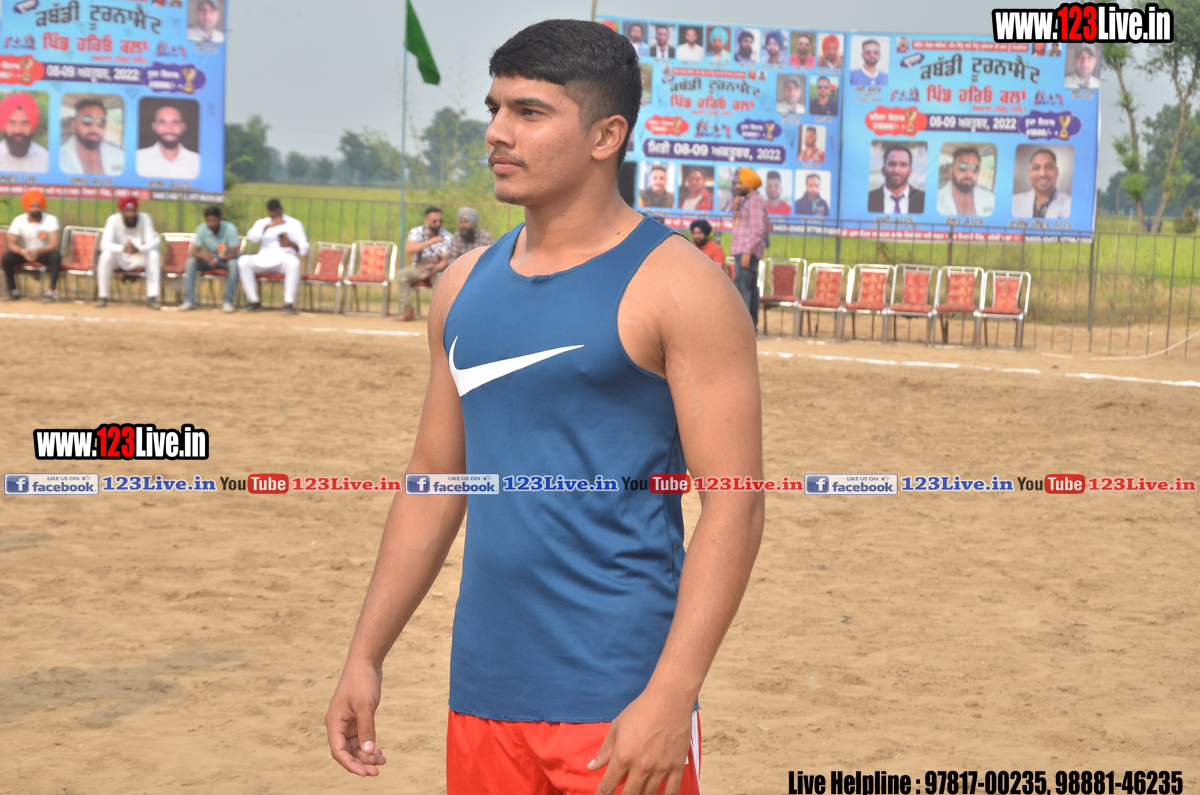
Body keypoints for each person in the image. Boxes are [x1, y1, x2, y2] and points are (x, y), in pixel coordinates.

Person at [325, 19, 763, 795]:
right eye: (495, 109)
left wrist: (670, 693)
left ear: (606, 135)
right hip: (484, 692)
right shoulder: (461, 285)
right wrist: (366, 653)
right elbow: (434, 481)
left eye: (529, 112)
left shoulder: (680, 287)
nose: (497, 132)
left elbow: (735, 504)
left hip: (620, 697)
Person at [238, 199, 309, 315]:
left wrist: (291, 244)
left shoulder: (294, 224)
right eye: (271, 212)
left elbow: (304, 249)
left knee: (294, 262)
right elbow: (252, 238)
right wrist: (268, 226)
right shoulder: (262, 223)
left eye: (276, 211)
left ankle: (288, 303)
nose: (273, 214)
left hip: (283, 259)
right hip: (263, 258)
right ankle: (253, 301)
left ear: (281, 209)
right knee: (243, 261)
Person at [96, 196, 161, 309]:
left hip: (139, 256)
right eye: (127, 211)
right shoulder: (113, 220)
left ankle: (152, 297)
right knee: (105, 256)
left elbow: (154, 242)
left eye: (133, 211)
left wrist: (139, 249)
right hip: (120, 257)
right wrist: (123, 248)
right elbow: (104, 244)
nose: (130, 214)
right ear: (122, 211)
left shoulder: (145, 218)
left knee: (154, 255)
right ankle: (103, 297)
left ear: (137, 210)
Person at [396, 206, 453, 322]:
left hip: (436, 269)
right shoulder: (416, 232)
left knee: (440, 280)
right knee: (401, 275)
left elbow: (445, 260)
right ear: (426, 221)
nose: (438, 224)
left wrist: (434, 269)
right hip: (418, 267)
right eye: (434, 221)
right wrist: (430, 242)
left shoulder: (447, 236)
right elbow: (409, 249)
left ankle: (436, 313)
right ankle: (408, 310)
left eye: (440, 221)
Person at [2, 188, 60, 301]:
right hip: (25, 253)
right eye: (32, 206)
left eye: (37, 206)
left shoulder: (51, 220)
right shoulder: (19, 220)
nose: (35, 209)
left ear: (42, 206)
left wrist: (37, 251)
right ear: (27, 207)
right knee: (7, 257)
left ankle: (51, 292)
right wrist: (23, 252)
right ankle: (13, 291)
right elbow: (11, 244)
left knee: (56, 256)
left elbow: (54, 243)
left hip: (43, 253)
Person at [180, 205, 239, 312]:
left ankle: (228, 301)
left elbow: (233, 253)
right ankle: (188, 300)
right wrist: (204, 256)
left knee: (233, 264)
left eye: (213, 220)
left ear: (220, 219)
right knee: (191, 262)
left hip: (225, 260)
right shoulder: (202, 228)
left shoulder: (230, 228)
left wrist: (218, 259)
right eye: (208, 221)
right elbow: (194, 252)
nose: (211, 224)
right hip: (209, 261)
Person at [730, 165, 770, 321]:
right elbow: (740, 224)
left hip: (746, 252)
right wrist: (736, 209)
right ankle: (751, 327)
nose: (737, 186)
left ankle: (744, 327)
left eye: (740, 183)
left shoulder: (755, 201)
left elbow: (759, 229)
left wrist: (747, 252)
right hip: (744, 251)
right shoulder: (748, 201)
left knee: (743, 290)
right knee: (749, 289)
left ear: (749, 184)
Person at [59, 97, 124, 175]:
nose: (94, 128)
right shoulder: (57, 158)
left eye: (101, 122)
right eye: (87, 120)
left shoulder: (119, 156)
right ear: (74, 125)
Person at [136, 103, 200, 179]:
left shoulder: (198, 161)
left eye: (175, 122)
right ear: (154, 126)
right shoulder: (136, 159)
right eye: (162, 122)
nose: (169, 129)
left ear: (183, 127)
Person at [1012, 148, 1071, 218]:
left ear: (1057, 172)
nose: (1042, 174)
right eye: (1036, 168)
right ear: (1030, 173)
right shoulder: (1013, 202)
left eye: (1049, 167)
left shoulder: (1071, 204)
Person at [937, 147, 995, 217]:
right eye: (963, 166)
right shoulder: (936, 201)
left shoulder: (990, 198)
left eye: (975, 168)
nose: (969, 174)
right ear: (951, 171)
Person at [868, 143, 925, 214]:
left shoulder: (924, 200)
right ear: (883, 170)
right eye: (892, 164)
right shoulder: (868, 199)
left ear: (910, 172)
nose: (897, 170)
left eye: (903, 165)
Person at [0, 92, 48, 172]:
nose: (18, 130)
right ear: (4, 125)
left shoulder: (45, 158)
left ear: (32, 126)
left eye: (24, 123)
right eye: (12, 123)